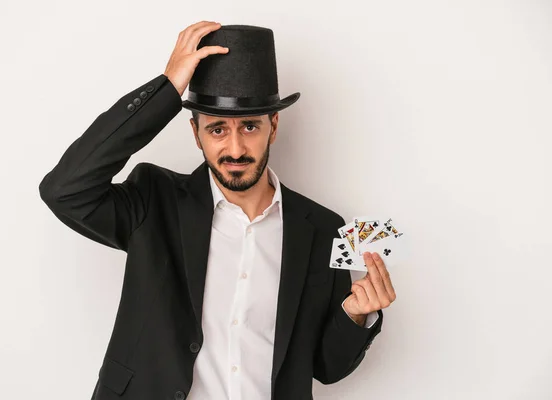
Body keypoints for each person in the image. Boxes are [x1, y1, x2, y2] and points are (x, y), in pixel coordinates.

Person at [39, 21, 396, 400]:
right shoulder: (153, 200)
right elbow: (64, 190)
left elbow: (326, 368)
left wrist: (356, 315)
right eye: (218, 130)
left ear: (273, 126)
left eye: (250, 127)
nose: (237, 150)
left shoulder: (323, 229)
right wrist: (166, 90)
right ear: (196, 133)